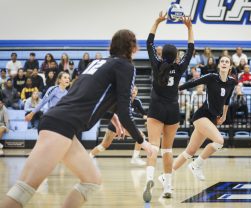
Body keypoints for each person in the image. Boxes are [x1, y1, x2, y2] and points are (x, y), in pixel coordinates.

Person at [0, 29, 155, 208]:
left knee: (91, 180)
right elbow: (125, 114)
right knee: (23, 190)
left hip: (62, 125)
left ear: (111, 46)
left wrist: (111, 115)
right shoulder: (126, 67)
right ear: (134, 48)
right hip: (60, 126)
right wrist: (145, 143)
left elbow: (88, 96)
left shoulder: (99, 62)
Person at [142, 12, 194, 202]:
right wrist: (189, 28)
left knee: (153, 148)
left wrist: (156, 22)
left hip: (155, 109)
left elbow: (148, 43)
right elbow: (191, 50)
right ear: (176, 57)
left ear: (162, 54)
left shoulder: (156, 64)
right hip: (172, 110)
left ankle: (148, 179)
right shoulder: (179, 68)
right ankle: (168, 187)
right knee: (168, 150)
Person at [172, 55, 235, 181]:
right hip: (202, 116)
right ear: (219, 65)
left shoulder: (232, 82)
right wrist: (175, 88)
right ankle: (196, 165)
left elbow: (227, 100)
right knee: (219, 141)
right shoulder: (211, 77)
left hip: (212, 119)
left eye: (226, 61)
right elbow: (193, 83)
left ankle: (167, 175)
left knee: (189, 151)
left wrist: (223, 115)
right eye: (222, 61)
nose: (224, 63)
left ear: (230, 66)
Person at [89, 85, 148, 166]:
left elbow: (144, 112)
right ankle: (89, 157)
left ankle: (135, 158)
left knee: (141, 136)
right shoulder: (124, 100)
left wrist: (149, 117)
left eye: (135, 90)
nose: (134, 91)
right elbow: (130, 113)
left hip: (126, 124)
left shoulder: (137, 102)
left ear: (137, 92)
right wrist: (142, 116)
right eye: (132, 89)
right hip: (116, 123)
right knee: (104, 145)